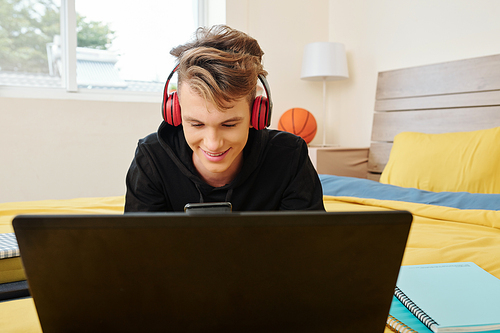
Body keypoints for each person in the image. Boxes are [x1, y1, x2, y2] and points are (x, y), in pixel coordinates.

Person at [125, 25, 324, 212]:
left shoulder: (289, 156)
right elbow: (138, 246)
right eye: (196, 124)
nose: (213, 144)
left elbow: (309, 245)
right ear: (176, 113)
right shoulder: (151, 158)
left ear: (256, 115)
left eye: (229, 124)